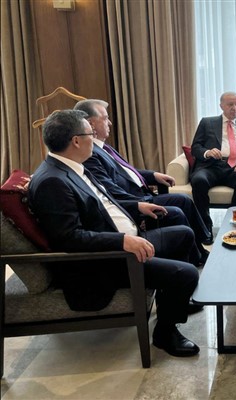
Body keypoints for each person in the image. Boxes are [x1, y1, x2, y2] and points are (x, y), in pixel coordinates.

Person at [28, 110, 201, 357]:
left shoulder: (70, 167)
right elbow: (69, 238)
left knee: (184, 234)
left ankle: (171, 304)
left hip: (120, 240)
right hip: (105, 260)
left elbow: (103, 203)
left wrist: (137, 206)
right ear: (76, 140)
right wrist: (123, 240)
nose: (94, 138)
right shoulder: (52, 182)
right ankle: (165, 333)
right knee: (187, 274)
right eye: (90, 133)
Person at [74, 99, 212, 263]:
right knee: (178, 209)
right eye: (105, 118)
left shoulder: (103, 147)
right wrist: (138, 204)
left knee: (184, 200)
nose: (110, 123)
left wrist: (153, 175)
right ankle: (196, 256)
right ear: (91, 124)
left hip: (140, 195)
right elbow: (109, 190)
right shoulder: (91, 154)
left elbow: (126, 172)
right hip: (134, 200)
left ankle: (202, 244)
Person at [189, 92, 236, 231]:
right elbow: (195, 147)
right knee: (198, 180)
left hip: (234, 168)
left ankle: (232, 221)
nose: (234, 108)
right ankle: (205, 226)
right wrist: (207, 152)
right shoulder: (207, 123)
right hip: (210, 166)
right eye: (230, 104)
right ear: (221, 106)